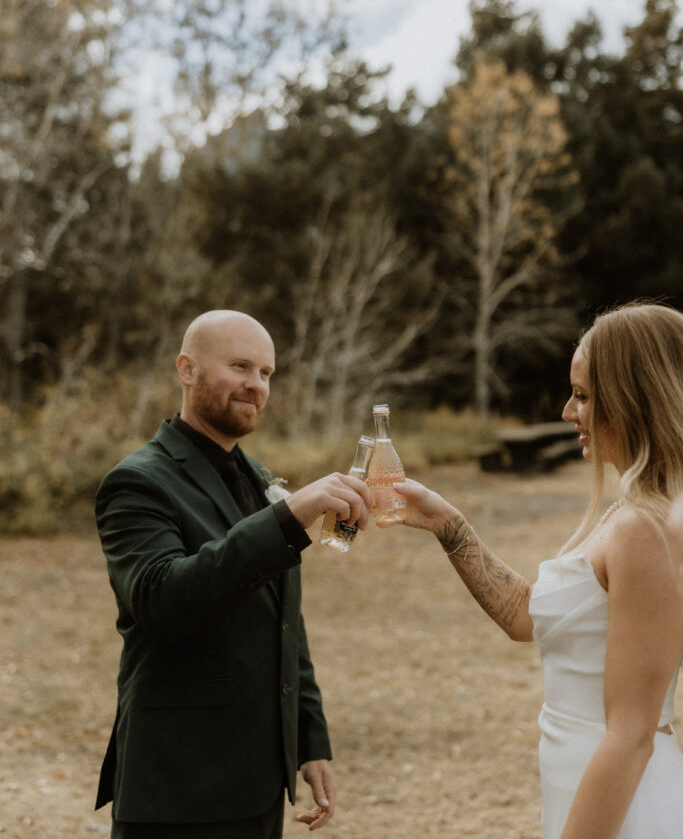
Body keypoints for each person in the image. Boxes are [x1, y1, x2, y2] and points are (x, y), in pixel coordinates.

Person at [382, 302, 683, 839]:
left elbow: (632, 733)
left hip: (622, 803)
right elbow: (527, 618)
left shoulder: (645, 529)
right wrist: (449, 526)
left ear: (634, 398)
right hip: (583, 779)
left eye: (584, 395)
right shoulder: (627, 514)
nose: (569, 411)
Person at [94, 309, 371, 839]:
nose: (256, 385)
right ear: (187, 369)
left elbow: (284, 620)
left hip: (260, 782)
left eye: (266, 373)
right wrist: (288, 517)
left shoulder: (258, 477)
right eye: (240, 366)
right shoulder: (136, 482)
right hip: (178, 789)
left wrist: (309, 740)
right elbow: (162, 601)